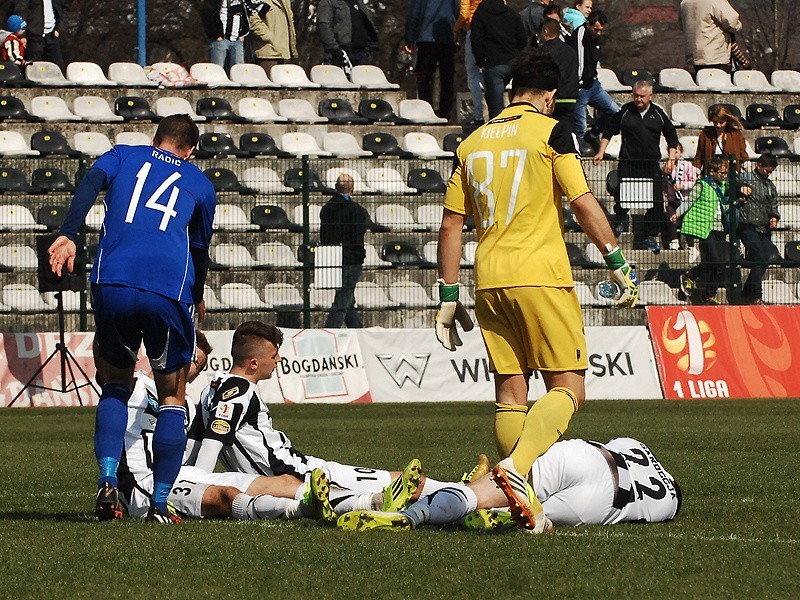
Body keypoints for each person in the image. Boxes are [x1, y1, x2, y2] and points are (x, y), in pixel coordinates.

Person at [432, 48, 639, 533]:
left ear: (509, 91)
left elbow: (450, 224)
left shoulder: (472, 141)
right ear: (548, 96)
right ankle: (518, 469)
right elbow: (582, 201)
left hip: (489, 279)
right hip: (540, 275)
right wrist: (616, 262)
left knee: (510, 391)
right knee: (569, 387)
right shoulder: (551, 131)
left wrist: (446, 295)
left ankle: (521, 495)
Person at [48, 114, 217, 523]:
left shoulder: (123, 155)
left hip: (115, 283)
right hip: (169, 292)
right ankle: (160, 501)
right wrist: (196, 298)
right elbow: (198, 251)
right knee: (173, 396)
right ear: (191, 150)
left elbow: (90, 182)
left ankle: (108, 479)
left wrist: (70, 232)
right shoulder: (200, 184)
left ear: (155, 138)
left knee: (114, 385)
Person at [190, 321, 450, 515]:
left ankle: (462, 492)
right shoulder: (241, 390)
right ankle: (465, 494)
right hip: (295, 470)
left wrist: (182, 484)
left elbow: (194, 444)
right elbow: (212, 441)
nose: (279, 360)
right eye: (273, 356)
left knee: (394, 483)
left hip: (286, 470)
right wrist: (197, 491)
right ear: (254, 363)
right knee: (398, 481)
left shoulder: (209, 390)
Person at [118, 332, 335, 524]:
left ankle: (360, 502)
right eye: (192, 360)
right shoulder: (134, 387)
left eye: (198, 366)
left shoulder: (187, 408)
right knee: (227, 496)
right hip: (144, 487)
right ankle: (302, 509)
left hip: (183, 475)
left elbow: (189, 459)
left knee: (285, 482)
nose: (191, 369)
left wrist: (199, 478)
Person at [337, 436, 682, 530]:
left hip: (584, 459)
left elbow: (610, 444)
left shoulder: (639, 446)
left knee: (484, 491)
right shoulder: (670, 504)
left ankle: (410, 513)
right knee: (526, 514)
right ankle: (499, 517)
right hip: (602, 505)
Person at [593, 80, 679, 252]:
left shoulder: (658, 114)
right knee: (623, 198)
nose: (638, 99)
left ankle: (648, 234)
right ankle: (620, 219)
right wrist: (601, 151)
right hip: (628, 163)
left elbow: (671, 136)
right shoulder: (625, 111)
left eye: (642, 96)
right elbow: (609, 130)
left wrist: (671, 159)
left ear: (650, 96)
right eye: (636, 96)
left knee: (656, 203)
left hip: (650, 165)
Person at [674, 156, 731, 305]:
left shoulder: (722, 186)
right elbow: (689, 201)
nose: (724, 176)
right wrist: (678, 213)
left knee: (720, 264)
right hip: (706, 227)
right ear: (712, 172)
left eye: (726, 173)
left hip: (720, 227)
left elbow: (723, 205)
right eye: (722, 173)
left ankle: (710, 295)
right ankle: (690, 275)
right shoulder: (702, 185)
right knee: (713, 259)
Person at [319, 173, 371, 329]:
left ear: (335, 187)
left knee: (348, 298)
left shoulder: (327, 209)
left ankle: (356, 330)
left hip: (332, 257)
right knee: (342, 300)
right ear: (353, 189)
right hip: (351, 259)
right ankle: (330, 332)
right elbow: (359, 234)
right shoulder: (356, 211)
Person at [569, 10, 618, 155]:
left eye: (601, 30)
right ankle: (581, 150)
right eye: (596, 29)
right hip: (581, 87)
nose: (599, 33)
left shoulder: (595, 37)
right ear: (588, 24)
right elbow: (578, 60)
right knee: (580, 126)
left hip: (594, 85)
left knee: (615, 111)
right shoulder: (580, 35)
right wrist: (579, 82)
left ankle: (594, 133)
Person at [470, 0, 527, 120]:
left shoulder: (480, 14)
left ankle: (497, 132)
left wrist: (481, 61)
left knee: (495, 106)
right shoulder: (512, 14)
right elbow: (522, 38)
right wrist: (516, 54)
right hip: (512, 62)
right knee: (518, 102)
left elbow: (476, 40)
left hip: (492, 62)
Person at [404, 0, 459, 122]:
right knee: (447, 79)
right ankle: (445, 114)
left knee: (423, 77)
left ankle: (426, 110)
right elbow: (459, 9)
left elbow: (414, 15)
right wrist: (458, 32)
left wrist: (409, 38)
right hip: (448, 36)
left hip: (426, 38)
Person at [738, 154, 781, 305]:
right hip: (747, 225)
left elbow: (773, 203)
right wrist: (740, 188)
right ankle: (756, 295)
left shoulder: (769, 186)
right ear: (759, 166)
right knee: (758, 257)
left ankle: (746, 293)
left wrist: (774, 216)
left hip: (764, 227)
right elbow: (732, 184)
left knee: (764, 260)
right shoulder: (747, 178)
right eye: (767, 170)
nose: (768, 174)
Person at [679, 0, 742, 74]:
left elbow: (682, 25)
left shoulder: (685, 3)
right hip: (715, 56)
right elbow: (732, 22)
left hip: (694, 57)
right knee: (718, 82)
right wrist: (738, 26)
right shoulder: (715, 1)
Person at [316, 0, 379, 69]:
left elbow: (367, 23)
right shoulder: (328, 2)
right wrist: (334, 49)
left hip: (360, 54)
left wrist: (369, 47)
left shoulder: (358, 2)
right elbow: (324, 25)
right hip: (339, 55)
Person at [454, 0, 486, 126]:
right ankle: (496, 112)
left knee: (472, 72)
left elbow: (464, 13)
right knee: (491, 73)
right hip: (492, 32)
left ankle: (479, 116)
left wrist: (456, 29)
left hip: (473, 29)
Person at [540, 19, 578, 126]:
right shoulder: (570, 51)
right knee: (566, 132)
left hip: (552, 99)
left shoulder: (544, 50)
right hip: (570, 99)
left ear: (546, 31)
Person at [663, 141, 700, 251]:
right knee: (672, 218)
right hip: (672, 198)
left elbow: (694, 181)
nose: (674, 155)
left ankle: (690, 244)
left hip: (685, 198)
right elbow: (664, 185)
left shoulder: (688, 165)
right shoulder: (667, 167)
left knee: (687, 220)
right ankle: (674, 241)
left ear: (681, 152)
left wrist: (682, 186)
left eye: (677, 152)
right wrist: (664, 199)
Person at [694, 104, 749, 174]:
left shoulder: (737, 135)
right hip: (710, 175)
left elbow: (743, 157)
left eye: (721, 122)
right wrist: (695, 173)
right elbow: (698, 158)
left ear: (727, 121)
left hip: (730, 175)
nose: (718, 125)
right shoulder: (705, 135)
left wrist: (748, 172)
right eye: (715, 122)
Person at [247, 0, 297, 73]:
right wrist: (270, 37)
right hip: (267, 53)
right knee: (268, 83)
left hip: (285, 53)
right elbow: (252, 20)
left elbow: (290, 21)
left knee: (284, 82)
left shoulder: (286, 1)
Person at [201, 0, 252, 69]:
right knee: (218, 70)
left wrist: (243, 34)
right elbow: (207, 13)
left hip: (238, 40)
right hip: (220, 39)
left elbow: (248, 12)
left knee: (239, 72)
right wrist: (216, 35)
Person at [13, 0, 67, 65]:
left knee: (57, 68)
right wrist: (23, 35)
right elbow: (21, 12)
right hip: (33, 37)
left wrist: (59, 28)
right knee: (34, 68)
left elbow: (65, 9)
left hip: (52, 36)